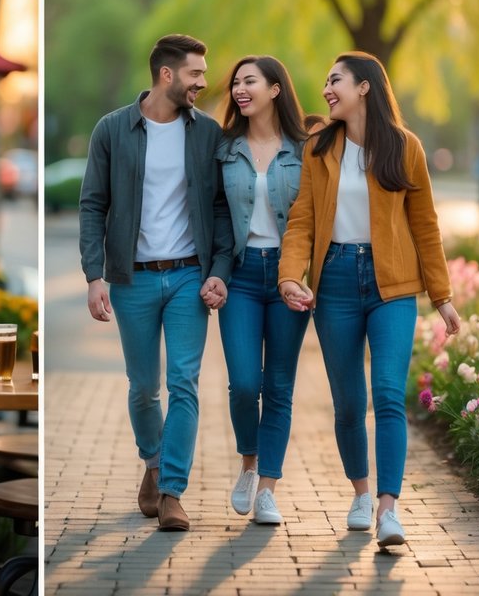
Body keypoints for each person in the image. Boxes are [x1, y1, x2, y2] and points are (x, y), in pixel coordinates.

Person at [277, 52, 461, 547]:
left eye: (335, 80)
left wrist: (441, 295)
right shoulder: (318, 148)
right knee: (348, 403)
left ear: (365, 87)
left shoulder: (404, 148)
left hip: (393, 288)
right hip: (334, 282)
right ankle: (360, 493)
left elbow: (425, 225)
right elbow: (302, 221)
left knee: (386, 394)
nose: (326, 89)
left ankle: (388, 510)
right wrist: (291, 275)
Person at [79, 33, 234, 532]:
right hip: (133, 280)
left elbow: (221, 208)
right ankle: (151, 462)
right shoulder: (112, 130)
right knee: (144, 387)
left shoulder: (207, 133)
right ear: (166, 75)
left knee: (183, 384)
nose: (203, 83)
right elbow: (92, 204)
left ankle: (172, 491)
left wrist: (218, 270)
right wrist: (93, 275)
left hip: (189, 276)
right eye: (194, 74)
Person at [215, 55, 314, 526]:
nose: (239, 88)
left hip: (287, 278)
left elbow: (316, 219)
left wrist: (306, 275)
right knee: (244, 384)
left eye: (249, 81)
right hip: (240, 276)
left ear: (275, 89)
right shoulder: (224, 148)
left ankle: (269, 488)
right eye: (236, 82)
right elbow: (213, 214)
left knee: (278, 386)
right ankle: (249, 464)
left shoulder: (304, 149)